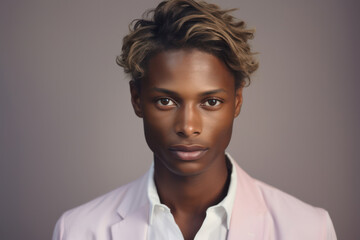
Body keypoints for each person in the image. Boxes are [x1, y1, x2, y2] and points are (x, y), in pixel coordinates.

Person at [52, 0, 337, 239]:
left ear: (237, 101)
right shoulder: (79, 230)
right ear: (137, 99)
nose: (188, 127)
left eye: (211, 102)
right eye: (166, 101)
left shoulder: (308, 229)